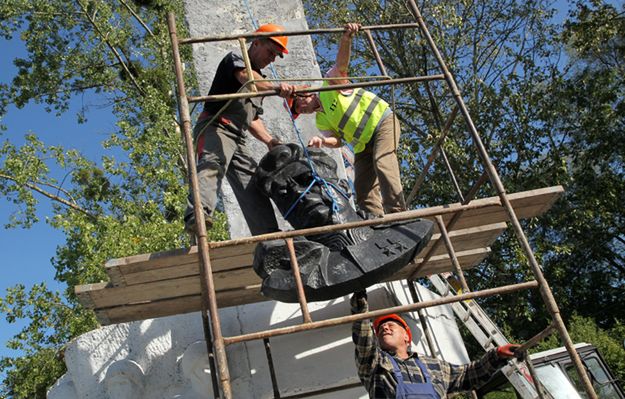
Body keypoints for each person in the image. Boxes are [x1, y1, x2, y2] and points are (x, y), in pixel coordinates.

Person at [184, 23, 298, 236]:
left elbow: (252, 118)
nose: (272, 58)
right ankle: (198, 215)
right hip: (215, 126)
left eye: (276, 56)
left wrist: (269, 141)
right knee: (213, 163)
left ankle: (268, 235)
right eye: (270, 52)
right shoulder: (235, 60)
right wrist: (276, 87)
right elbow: (247, 79)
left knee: (252, 184)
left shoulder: (261, 80)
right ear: (256, 43)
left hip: (237, 136)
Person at [290, 23, 406, 217]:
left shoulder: (329, 84)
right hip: (363, 145)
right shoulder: (320, 120)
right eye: (298, 110)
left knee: (383, 162)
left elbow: (341, 65)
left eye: (298, 104)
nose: (301, 109)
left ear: (305, 93)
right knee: (362, 189)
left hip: (381, 123)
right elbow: (338, 140)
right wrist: (323, 141)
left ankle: (398, 213)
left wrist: (346, 38)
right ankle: (374, 222)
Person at [350, 291, 521, 398]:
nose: (384, 327)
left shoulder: (433, 366)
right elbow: (364, 339)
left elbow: (468, 375)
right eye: (380, 329)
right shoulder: (374, 363)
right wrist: (360, 305)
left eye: (391, 325)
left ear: (406, 337)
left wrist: (497, 354)